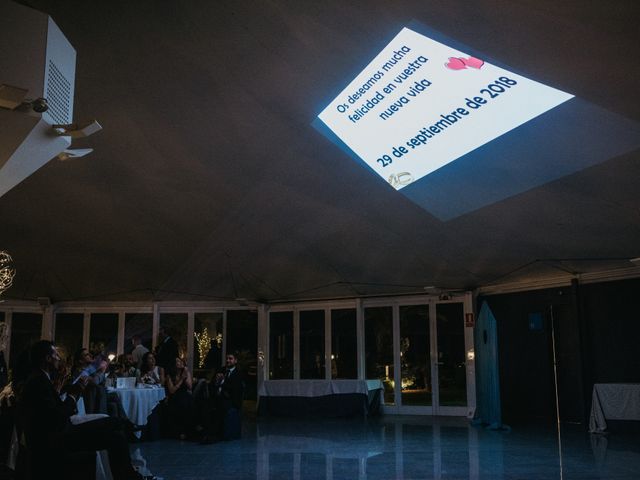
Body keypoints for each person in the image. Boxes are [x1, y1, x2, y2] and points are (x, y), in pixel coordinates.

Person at [19, 340, 148, 480]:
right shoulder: (39, 382)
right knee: (116, 435)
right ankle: (129, 475)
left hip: (60, 432)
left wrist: (64, 391)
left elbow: (53, 412)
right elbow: (58, 417)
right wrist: (73, 395)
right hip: (58, 439)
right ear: (47, 359)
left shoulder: (40, 378)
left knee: (115, 427)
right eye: (56, 355)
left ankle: (129, 471)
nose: (59, 358)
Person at [201, 353, 244, 443]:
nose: (228, 360)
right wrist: (216, 382)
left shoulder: (238, 373)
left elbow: (234, 390)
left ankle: (213, 436)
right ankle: (204, 433)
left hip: (230, 400)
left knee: (221, 407)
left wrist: (222, 381)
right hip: (217, 397)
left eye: (230, 359)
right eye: (227, 359)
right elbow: (213, 384)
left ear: (235, 361)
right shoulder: (221, 370)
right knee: (205, 405)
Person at [72, 347, 108, 414]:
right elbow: (95, 382)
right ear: (81, 361)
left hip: (97, 397)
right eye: (87, 355)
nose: (90, 356)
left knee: (114, 401)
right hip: (86, 399)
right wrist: (101, 371)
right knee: (100, 390)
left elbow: (103, 382)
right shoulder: (78, 371)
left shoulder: (91, 369)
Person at [165, 357, 194, 440]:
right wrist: (181, 379)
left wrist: (185, 374)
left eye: (181, 361)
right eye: (178, 361)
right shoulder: (169, 375)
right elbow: (171, 390)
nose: (180, 362)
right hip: (174, 396)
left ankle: (187, 431)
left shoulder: (185, 372)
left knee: (188, 402)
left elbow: (190, 386)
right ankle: (180, 432)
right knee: (181, 403)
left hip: (185, 395)